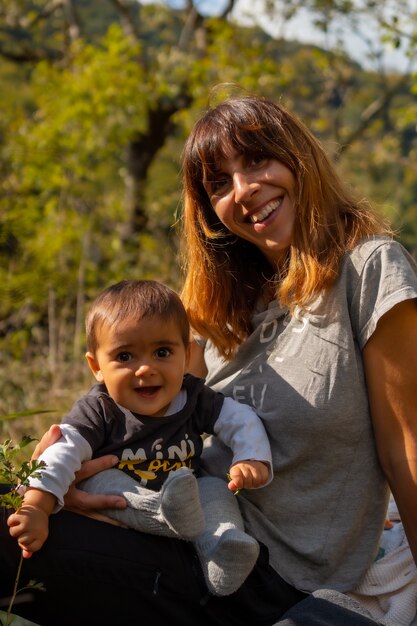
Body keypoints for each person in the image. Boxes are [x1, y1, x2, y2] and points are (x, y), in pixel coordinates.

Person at [1, 92, 416, 626]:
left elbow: (407, 448)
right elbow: (148, 423)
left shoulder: (369, 267)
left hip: (312, 582)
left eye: (257, 160)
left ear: (298, 157)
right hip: (203, 550)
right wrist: (67, 483)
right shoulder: (216, 312)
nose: (244, 191)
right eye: (219, 183)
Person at [7, 279, 273, 597]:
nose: (145, 368)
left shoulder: (192, 397)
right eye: (124, 357)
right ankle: (165, 514)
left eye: (162, 352)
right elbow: (61, 451)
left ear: (187, 355)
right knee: (103, 479)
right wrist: (36, 506)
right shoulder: (101, 408)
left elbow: (239, 418)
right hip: (124, 493)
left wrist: (251, 458)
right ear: (96, 367)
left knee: (215, 488)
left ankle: (222, 551)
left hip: (187, 491)